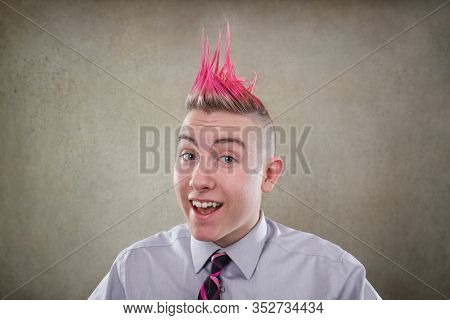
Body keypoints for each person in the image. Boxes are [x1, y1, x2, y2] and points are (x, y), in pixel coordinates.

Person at [89, 23, 381, 300]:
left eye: (227, 158)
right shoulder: (134, 272)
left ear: (269, 174)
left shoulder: (333, 279)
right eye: (189, 155)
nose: (198, 181)